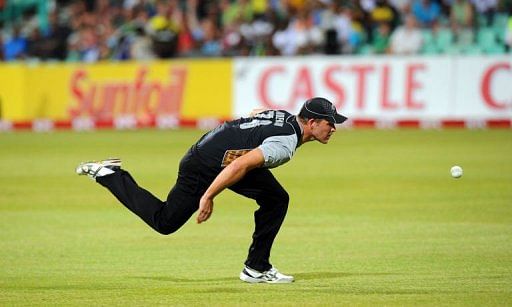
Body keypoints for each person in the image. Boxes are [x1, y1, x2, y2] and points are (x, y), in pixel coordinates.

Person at [76, 97, 347, 283]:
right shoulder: (285, 145)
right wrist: (208, 196)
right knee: (165, 222)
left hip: (216, 151)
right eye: (329, 122)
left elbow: (256, 113)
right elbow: (238, 166)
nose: (334, 128)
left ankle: (256, 267)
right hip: (203, 165)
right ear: (311, 123)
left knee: (276, 199)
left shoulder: (287, 118)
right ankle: (110, 175)